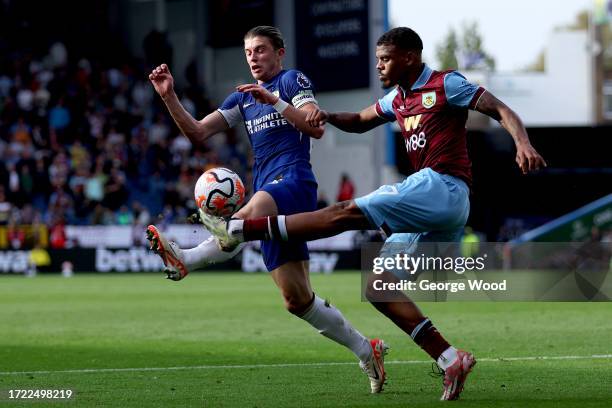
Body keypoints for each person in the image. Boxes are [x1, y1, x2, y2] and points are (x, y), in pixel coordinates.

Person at [200, 27, 547, 401]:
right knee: (378, 287)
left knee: (349, 210)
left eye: (385, 59)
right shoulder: (397, 99)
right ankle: (450, 359)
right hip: (433, 210)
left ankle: (242, 230)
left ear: (409, 58)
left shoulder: (447, 84)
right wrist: (323, 114)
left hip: (443, 186)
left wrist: (522, 143)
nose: (379, 65)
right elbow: (361, 120)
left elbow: (500, 109)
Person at [145, 26, 388, 394]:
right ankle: (366, 349)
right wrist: (169, 97)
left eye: (260, 50)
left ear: (280, 52)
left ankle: (187, 259)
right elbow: (197, 133)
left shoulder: (292, 80)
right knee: (297, 299)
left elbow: (315, 128)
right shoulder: (242, 99)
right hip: (266, 191)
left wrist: (273, 99)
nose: (253, 57)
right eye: (248, 52)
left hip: (293, 184)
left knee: (243, 218)